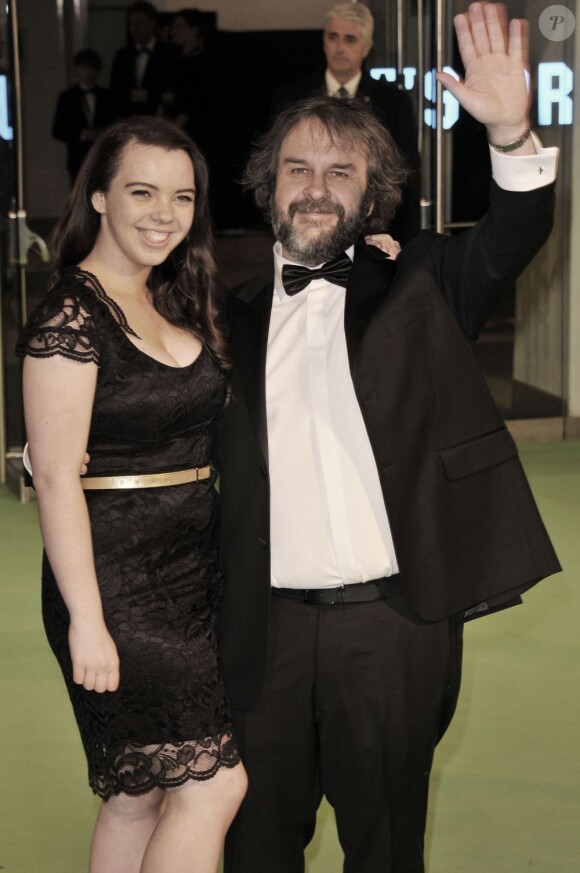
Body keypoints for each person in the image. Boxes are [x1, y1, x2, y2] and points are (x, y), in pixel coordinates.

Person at [214, 5, 561, 872]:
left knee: (385, 847)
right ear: (270, 185)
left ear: (373, 193)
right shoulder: (227, 314)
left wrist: (512, 130)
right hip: (263, 632)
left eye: (342, 169)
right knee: (256, 845)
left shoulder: (423, 284)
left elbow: (515, 234)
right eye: (298, 168)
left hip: (392, 623)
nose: (317, 186)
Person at [16, 117, 247, 873]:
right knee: (215, 786)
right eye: (142, 191)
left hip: (191, 573)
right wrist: (87, 619)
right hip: (116, 585)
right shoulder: (70, 316)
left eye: (182, 197)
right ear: (102, 197)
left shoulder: (172, 296)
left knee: (137, 796)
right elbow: (53, 475)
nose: (163, 213)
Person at [272, 1, 421, 244]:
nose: (339, 47)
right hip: (303, 229)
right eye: (333, 37)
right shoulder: (291, 97)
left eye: (350, 39)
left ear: (366, 47)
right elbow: (273, 171)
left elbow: (407, 176)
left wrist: (401, 240)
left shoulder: (393, 102)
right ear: (323, 42)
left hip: (375, 234)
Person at [52, 49, 113, 184]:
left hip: (102, 155)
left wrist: (101, 133)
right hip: (77, 157)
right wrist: (81, 134)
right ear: (77, 70)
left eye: (91, 68)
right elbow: (58, 130)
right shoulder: (67, 97)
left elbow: (115, 122)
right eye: (83, 68)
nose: (87, 72)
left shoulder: (107, 96)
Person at [109, 1, 176, 120]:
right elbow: (115, 90)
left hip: (160, 118)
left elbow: (172, 90)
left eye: (139, 23)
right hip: (129, 119)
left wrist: (149, 96)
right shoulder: (123, 55)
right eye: (132, 24)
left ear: (152, 23)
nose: (135, 28)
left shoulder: (169, 53)